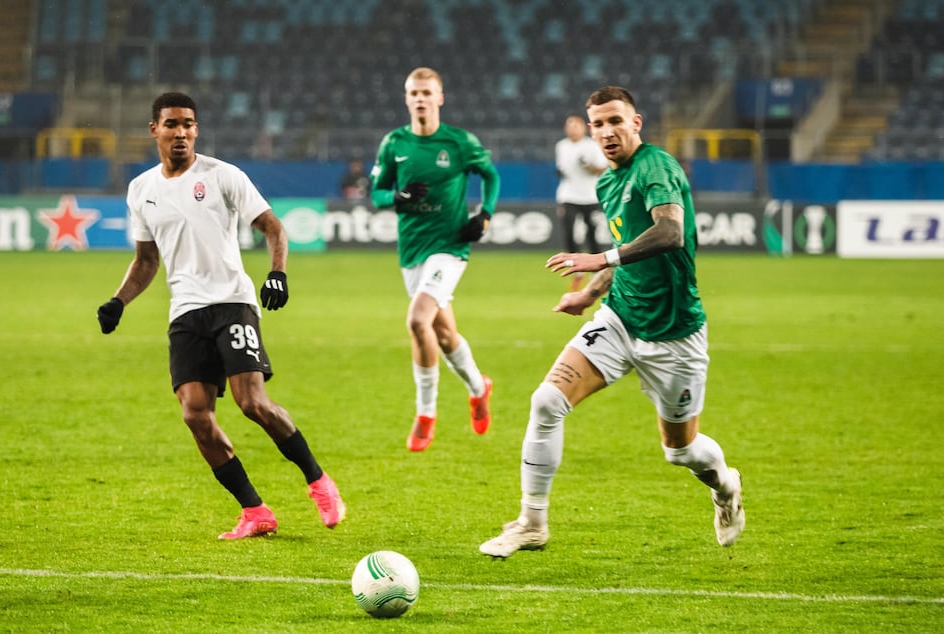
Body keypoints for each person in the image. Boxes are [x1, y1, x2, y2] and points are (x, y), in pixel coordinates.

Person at [479, 86, 744, 558]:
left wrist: (596, 256)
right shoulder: (606, 182)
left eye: (614, 121)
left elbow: (669, 231)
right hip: (621, 318)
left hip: (673, 333)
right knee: (545, 402)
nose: (606, 132)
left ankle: (725, 486)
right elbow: (626, 249)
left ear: (636, 123)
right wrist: (591, 291)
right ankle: (531, 523)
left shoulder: (656, 167)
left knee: (679, 451)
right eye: (598, 124)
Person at [96, 92, 345, 540]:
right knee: (195, 414)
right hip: (186, 312)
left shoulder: (223, 175)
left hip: (232, 301)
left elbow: (274, 226)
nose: (182, 132)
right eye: (172, 124)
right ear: (154, 130)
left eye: (189, 124)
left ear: (197, 129)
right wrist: (119, 301)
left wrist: (277, 274)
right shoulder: (141, 190)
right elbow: (146, 260)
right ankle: (254, 511)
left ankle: (318, 481)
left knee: (252, 403)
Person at [370, 67, 500, 452]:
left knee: (417, 319)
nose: (421, 99)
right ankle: (479, 388)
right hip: (411, 250)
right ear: (407, 99)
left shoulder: (459, 142)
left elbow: (490, 175)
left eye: (427, 92)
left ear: (440, 98)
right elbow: (377, 193)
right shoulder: (394, 143)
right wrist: (398, 198)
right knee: (443, 335)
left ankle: (425, 414)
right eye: (414, 93)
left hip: (450, 245)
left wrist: (485, 214)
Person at [554, 114, 607, 291]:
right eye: (569, 126)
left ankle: (596, 269)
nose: (572, 130)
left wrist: (587, 166)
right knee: (568, 232)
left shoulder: (592, 146)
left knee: (591, 233)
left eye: (575, 126)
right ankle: (576, 269)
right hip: (568, 195)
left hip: (590, 196)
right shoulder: (561, 146)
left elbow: (601, 169)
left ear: (583, 128)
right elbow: (562, 169)